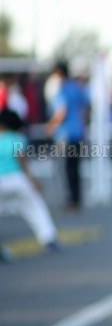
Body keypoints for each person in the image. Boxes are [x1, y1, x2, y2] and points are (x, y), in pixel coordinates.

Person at [0, 108, 59, 259]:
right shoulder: (18, 138)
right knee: (35, 206)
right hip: (17, 179)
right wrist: (34, 181)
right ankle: (48, 239)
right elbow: (22, 161)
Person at [45, 61, 90, 212]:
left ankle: (71, 200)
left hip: (66, 134)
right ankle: (76, 199)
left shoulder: (63, 89)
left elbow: (61, 111)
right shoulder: (77, 88)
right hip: (78, 132)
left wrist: (51, 126)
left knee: (67, 169)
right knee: (75, 168)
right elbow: (86, 108)